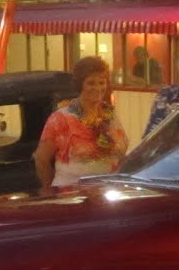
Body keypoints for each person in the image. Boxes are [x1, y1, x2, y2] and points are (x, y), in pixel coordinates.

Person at [34, 55, 129, 188]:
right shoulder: (60, 118)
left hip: (107, 193)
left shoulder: (111, 115)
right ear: (80, 84)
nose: (98, 88)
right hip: (71, 195)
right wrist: (49, 190)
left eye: (102, 82)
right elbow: (41, 159)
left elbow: (122, 153)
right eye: (91, 83)